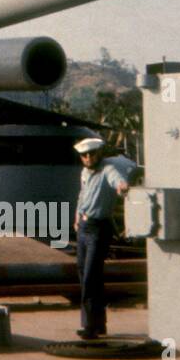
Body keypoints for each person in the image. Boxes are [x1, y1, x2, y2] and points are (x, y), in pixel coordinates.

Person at [73, 137, 130, 339]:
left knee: (91, 276)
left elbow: (117, 180)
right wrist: (77, 217)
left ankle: (90, 327)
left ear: (99, 153)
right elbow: (82, 195)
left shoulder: (108, 169)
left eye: (92, 154)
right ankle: (98, 323)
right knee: (84, 274)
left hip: (98, 228)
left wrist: (122, 186)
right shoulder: (85, 172)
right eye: (84, 155)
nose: (88, 158)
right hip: (84, 227)